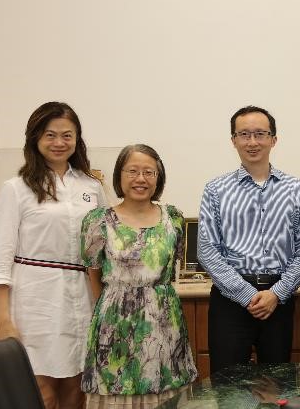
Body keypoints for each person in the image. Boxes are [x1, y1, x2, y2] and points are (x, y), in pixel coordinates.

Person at [0, 102, 107, 409]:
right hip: (35, 301)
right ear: (35, 138)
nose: (59, 142)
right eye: (50, 135)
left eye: (67, 135)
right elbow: (0, 258)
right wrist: (3, 320)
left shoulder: (91, 186)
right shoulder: (17, 188)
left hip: (82, 297)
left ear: (77, 140)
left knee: (76, 392)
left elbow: (103, 247)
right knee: (41, 394)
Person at [80, 144, 197, 407]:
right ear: (119, 176)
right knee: (115, 386)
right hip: (115, 323)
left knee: (167, 388)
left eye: (149, 172)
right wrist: (109, 309)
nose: (141, 179)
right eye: (132, 171)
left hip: (164, 321)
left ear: (159, 177)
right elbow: (93, 273)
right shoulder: (98, 220)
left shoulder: (174, 219)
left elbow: (172, 266)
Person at [197, 106, 300, 374]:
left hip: (278, 300)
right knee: (228, 386)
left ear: (273, 139)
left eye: (260, 134)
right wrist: (247, 295)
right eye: (244, 134)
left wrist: (277, 294)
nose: (252, 142)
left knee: (277, 384)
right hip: (230, 300)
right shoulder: (215, 189)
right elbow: (207, 250)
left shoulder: (297, 189)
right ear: (233, 140)